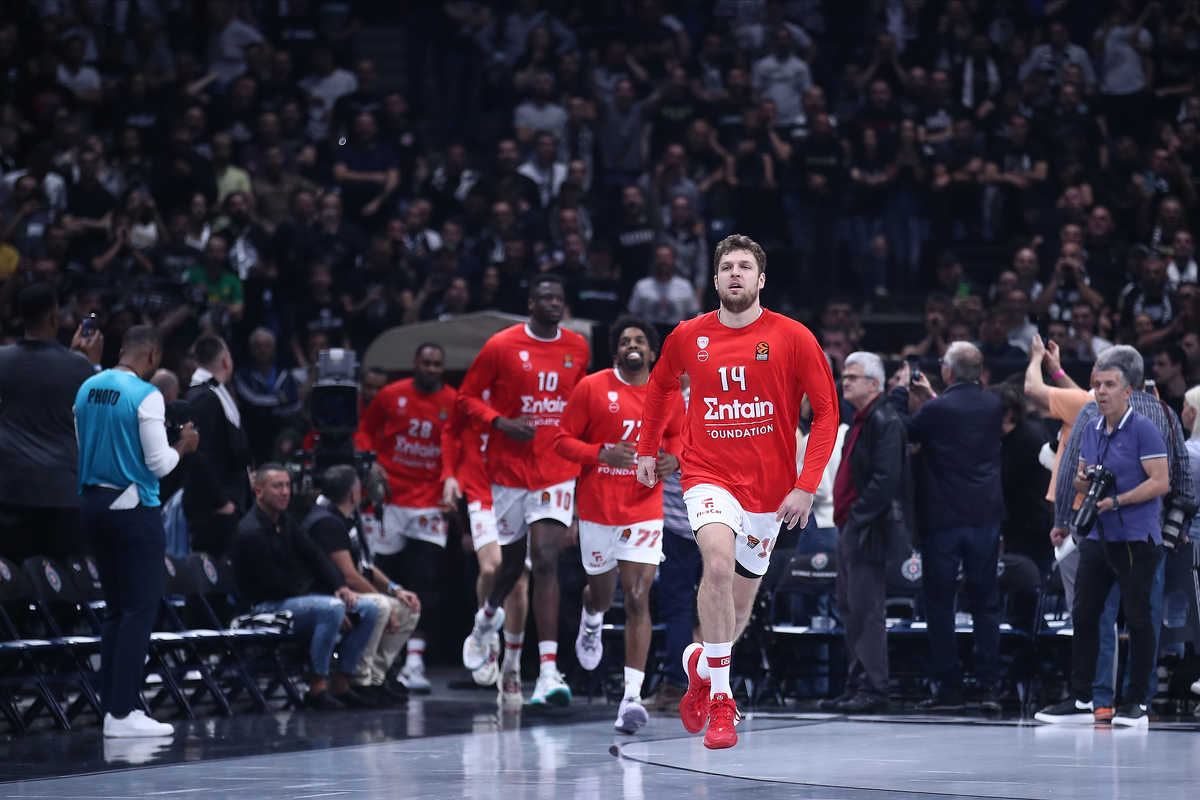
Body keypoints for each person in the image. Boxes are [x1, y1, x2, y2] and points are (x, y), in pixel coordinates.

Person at [636, 234, 839, 750]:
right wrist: (645, 448)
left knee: (740, 603)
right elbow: (660, 387)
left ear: (761, 279)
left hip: (769, 493)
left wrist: (805, 486)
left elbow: (827, 412)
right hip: (707, 475)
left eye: (745, 267)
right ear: (714, 278)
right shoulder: (687, 335)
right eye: (726, 266)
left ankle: (701, 663)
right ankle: (724, 703)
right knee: (718, 568)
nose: (735, 274)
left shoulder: (793, 337)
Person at [457, 274, 590, 708]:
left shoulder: (577, 347)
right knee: (511, 568)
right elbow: (465, 399)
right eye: (546, 297)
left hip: (556, 469)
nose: (554, 303)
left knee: (548, 560)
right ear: (530, 301)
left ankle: (548, 672)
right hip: (508, 471)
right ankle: (487, 618)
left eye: (559, 297)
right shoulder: (501, 345)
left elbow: (580, 408)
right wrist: (499, 422)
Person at [554, 316, 685, 734]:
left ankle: (630, 698)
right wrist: (600, 454)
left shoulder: (667, 393)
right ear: (616, 353)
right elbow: (561, 441)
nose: (633, 344)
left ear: (652, 352)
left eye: (640, 340)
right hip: (597, 509)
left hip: (644, 508)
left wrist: (675, 459)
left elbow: (681, 437)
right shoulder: (591, 388)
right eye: (625, 340)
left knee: (637, 598)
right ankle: (590, 619)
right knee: (603, 593)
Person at [1051, 346, 1193, 722]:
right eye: (1097, 384)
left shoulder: (1146, 427)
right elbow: (1078, 471)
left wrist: (1119, 501)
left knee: (1139, 619)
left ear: (1127, 390)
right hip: (1098, 536)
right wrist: (1082, 487)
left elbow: (1162, 482)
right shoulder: (1092, 426)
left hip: (1136, 537)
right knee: (1084, 615)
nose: (1100, 391)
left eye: (1109, 385)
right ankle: (1083, 698)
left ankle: (1137, 702)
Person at [75, 326, 199, 737]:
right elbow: (159, 464)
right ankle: (124, 713)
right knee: (138, 611)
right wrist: (183, 444)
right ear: (153, 357)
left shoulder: (87, 388)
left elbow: (84, 444)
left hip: (92, 503)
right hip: (132, 509)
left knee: (115, 611)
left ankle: (113, 709)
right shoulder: (145, 394)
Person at [889, 342, 1005, 712]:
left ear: (950, 372)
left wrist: (902, 390)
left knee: (941, 604)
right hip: (985, 518)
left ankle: (948, 688)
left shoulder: (938, 409)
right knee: (986, 604)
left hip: (943, 521)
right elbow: (954, 417)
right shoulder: (993, 405)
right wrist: (933, 396)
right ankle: (988, 686)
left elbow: (902, 429)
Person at [230, 464, 379, 711]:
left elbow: (317, 555)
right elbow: (275, 585)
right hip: (264, 606)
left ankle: (341, 682)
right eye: (277, 486)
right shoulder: (251, 532)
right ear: (259, 492)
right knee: (330, 609)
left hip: (294, 599)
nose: (285, 492)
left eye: (288, 485)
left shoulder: (286, 521)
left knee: (368, 608)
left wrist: (340, 587)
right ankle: (316, 686)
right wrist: (327, 603)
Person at [358, 343, 459, 694]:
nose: (432, 369)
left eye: (437, 364)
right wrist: (371, 463)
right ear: (414, 363)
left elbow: (455, 445)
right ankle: (374, 654)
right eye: (426, 363)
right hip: (391, 500)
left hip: (431, 502)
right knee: (381, 573)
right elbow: (365, 431)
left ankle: (414, 662)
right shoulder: (390, 395)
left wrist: (451, 479)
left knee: (424, 580)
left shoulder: (453, 400)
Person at [822, 352, 912, 714]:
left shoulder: (884, 420)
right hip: (849, 526)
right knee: (850, 607)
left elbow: (885, 480)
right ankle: (856, 683)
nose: (846, 382)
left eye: (854, 377)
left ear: (875, 384)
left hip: (866, 528)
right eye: (845, 376)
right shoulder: (862, 419)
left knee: (867, 609)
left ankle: (874, 689)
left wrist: (856, 518)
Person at [303, 465, 420, 708]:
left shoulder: (346, 518)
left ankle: (376, 678)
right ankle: (358, 679)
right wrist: (386, 602)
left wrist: (395, 589)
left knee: (408, 607)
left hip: (345, 593)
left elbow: (364, 566)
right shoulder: (326, 522)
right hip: (323, 594)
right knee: (381, 606)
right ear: (355, 495)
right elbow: (350, 576)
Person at [0, 284, 101, 564]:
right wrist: (92, 363)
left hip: (11, 488)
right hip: (61, 491)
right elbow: (99, 415)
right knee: (61, 587)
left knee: (12, 582)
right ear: (55, 318)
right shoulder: (79, 367)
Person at [444, 402, 532, 708]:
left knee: (519, 579)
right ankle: (488, 633)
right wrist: (449, 475)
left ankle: (512, 669)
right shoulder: (472, 400)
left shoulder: (528, 398)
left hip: (522, 493)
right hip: (483, 495)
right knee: (494, 568)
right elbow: (449, 431)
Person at [182, 335, 252, 558]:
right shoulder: (204, 397)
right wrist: (221, 501)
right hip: (214, 508)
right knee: (212, 575)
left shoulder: (211, 394)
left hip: (225, 501)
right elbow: (198, 454)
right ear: (225, 362)